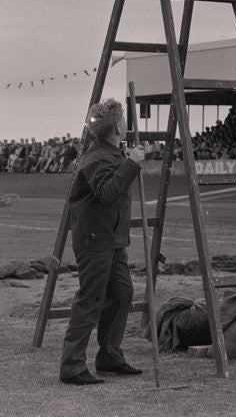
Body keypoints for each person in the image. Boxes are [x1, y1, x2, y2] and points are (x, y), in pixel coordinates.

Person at [59, 99, 145, 385]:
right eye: (123, 120)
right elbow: (108, 192)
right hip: (96, 239)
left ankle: (109, 357)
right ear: (118, 126)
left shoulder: (108, 152)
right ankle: (72, 367)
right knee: (90, 300)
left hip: (112, 238)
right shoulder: (97, 157)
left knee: (121, 294)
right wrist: (132, 163)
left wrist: (129, 161)